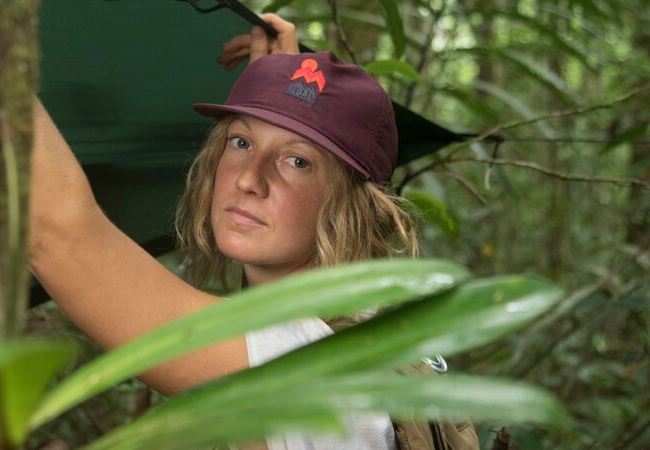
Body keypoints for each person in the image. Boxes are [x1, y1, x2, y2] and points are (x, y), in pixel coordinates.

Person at [30, 14, 474, 450]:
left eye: (297, 162)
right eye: (241, 142)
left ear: (351, 206)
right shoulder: (374, 328)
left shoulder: (309, 368)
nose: (248, 179)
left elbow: (54, 233)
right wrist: (283, 89)